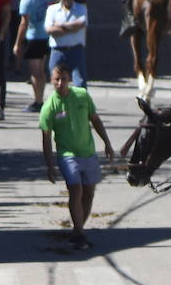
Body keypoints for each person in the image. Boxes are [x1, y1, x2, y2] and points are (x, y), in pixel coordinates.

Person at [40, 63, 115, 249]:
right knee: (76, 189)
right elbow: (46, 139)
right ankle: (80, 233)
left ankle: (78, 227)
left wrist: (107, 143)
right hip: (67, 155)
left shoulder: (82, 95)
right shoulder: (49, 106)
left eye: (63, 79)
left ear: (69, 80)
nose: (60, 83)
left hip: (88, 152)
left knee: (89, 192)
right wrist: (50, 165)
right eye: (56, 79)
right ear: (51, 80)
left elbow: (95, 120)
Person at [14, 0, 56, 111]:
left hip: (33, 37)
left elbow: (23, 23)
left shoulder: (26, 0)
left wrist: (17, 43)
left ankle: (38, 101)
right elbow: (56, 0)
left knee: (35, 73)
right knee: (41, 71)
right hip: (46, 36)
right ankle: (40, 98)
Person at [45, 0, 88, 88]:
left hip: (76, 50)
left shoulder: (81, 8)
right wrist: (72, 28)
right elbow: (50, 29)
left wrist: (60, 25)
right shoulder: (52, 10)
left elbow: (81, 24)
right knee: (57, 84)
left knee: (80, 84)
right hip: (58, 51)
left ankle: (79, 104)